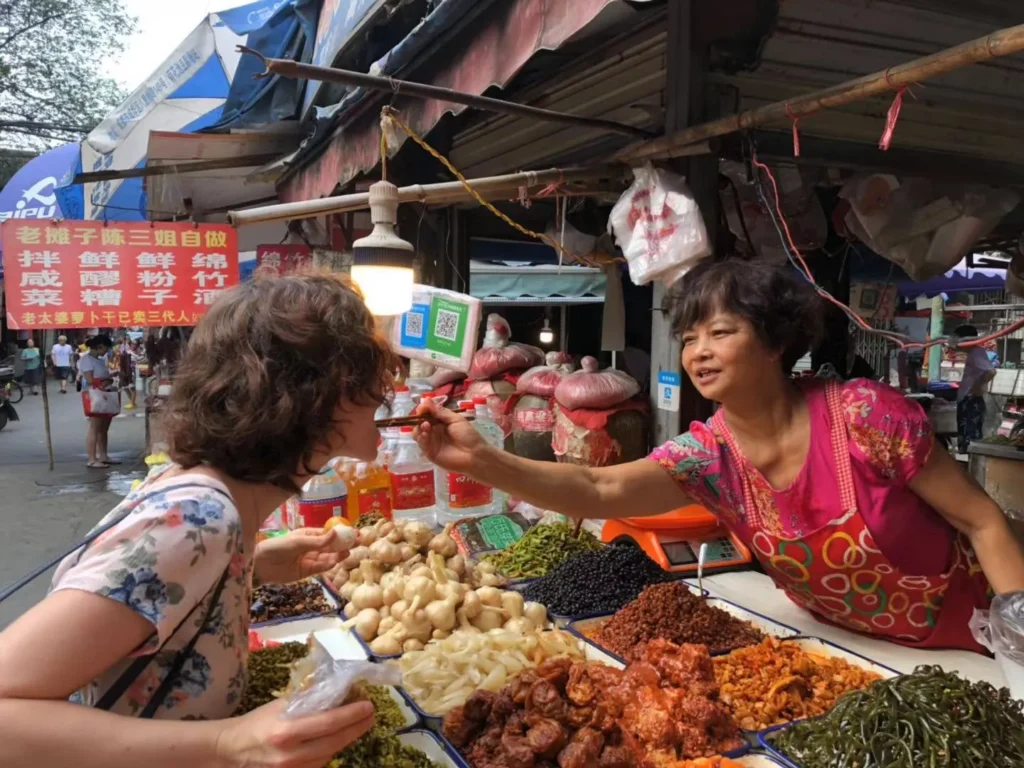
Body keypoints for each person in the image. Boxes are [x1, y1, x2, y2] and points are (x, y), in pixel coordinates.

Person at [415, 259, 1024, 652]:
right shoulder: (709, 456)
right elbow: (598, 489)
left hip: (970, 645)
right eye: (689, 339)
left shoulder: (866, 416)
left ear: (775, 342)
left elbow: (983, 521)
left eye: (721, 332)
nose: (698, 352)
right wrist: (482, 462)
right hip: (848, 653)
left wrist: (1018, 641)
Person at [0, 274, 392, 767]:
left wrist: (249, 566)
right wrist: (228, 745)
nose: (386, 385)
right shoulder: (198, 521)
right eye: (371, 370)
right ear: (325, 393)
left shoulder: (217, 508)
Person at [78, 335, 119, 469]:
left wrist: (111, 376)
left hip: (104, 394)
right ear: (100, 346)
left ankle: (103, 455)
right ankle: (91, 459)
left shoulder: (99, 360)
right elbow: (90, 379)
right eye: (106, 348)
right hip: (94, 395)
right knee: (95, 428)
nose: (106, 351)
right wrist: (105, 381)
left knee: (103, 429)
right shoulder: (86, 360)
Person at [955, 324, 997, 455]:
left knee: (970, 436)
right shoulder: (973, 353)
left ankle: (971, 462)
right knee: (965, 435)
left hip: (971, 400)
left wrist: (977, 387)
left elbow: (991, 372)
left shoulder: (977, 353)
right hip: (968, 398)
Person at [117, 336, 137, 410]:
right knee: (126, 387)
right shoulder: (125, 351)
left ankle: (132, 403)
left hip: (131, 373)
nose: (133, 346)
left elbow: (135, 361)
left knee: (132, 388)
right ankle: (132, 402)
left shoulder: (131, 353)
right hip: (126, 372)